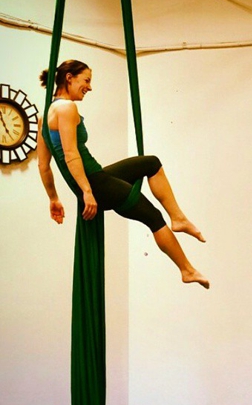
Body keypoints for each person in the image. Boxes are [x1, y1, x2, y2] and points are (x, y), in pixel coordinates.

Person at [37, 59, 209, 289]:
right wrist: (87, 191)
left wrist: (53, 198)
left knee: (151, 163)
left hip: (95, 178)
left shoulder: (45, 115)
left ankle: (178, 218)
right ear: (70, 78)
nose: (89, 87)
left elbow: (43, 166)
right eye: (86, 80)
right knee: (153, 218)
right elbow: (70, 154)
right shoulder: (67, 108)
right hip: (95, 184)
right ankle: (186, 270)